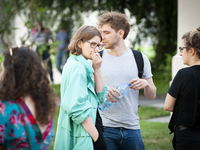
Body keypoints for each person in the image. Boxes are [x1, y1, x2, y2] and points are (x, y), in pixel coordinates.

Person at [97, 11, 156, 150]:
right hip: (105, 128)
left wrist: (146, 84)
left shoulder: (140, 58)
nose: (101, 37)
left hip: (132, 129)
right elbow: (85, 92)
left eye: (106, 32)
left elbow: (152, 95)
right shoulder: (96, 59)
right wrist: (103, 89)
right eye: (101, 32)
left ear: (120, 33)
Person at [53, 25, 108, 150]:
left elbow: (99, 97)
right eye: (93, 44)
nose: (96, 49)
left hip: (89, 127)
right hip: (82, 132)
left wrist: (97, 69)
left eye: (99, 45)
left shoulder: (81, 65)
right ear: (79, 43)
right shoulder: (77, 68)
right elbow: (76, 108)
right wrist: (96, 137)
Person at [0, 47, 58, 149]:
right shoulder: (46, 105)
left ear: (12, 75)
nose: (1, 75)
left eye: (2, 69)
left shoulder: (6, 109)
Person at [164, 26, 200, 149]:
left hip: (188, 137)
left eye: (182, 49)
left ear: (191, 51)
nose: (180, 53)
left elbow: (168, 106)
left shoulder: (184, 74)